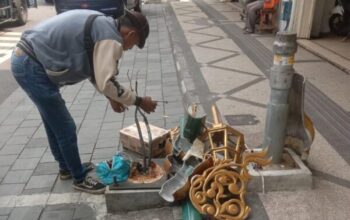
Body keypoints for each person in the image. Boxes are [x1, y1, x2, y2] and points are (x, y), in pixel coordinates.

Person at [11, 9, 157, 194]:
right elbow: (106, 82)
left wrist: (111, 96)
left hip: (28, 60)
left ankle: (66, 168)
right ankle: (79, 179)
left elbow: (95, 68)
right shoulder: (110, 38)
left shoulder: (104, 25)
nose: (128, 49)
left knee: (53, 122)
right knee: (65, 127)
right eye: (133, 44)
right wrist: (139, 101)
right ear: (131, 34)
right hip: (31, 65)